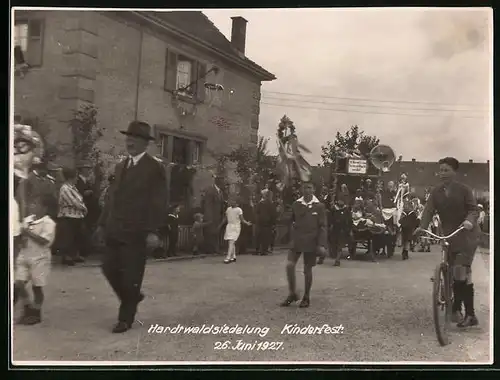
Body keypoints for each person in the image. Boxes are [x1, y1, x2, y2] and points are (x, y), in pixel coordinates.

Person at [95, 121, 167, 333]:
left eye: (135, 138)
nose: (130, 142)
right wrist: (101, 224)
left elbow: (159, 201)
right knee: (108, 268)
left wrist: (154, 230)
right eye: (128, 137)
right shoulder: (121, 166)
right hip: (115, 229)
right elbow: (112, 198)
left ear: (146, 143)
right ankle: (133, 298)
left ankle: (125, 318)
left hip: (137, 232)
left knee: (131, 276)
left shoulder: (154, 168)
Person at [416, 157, 480, 328]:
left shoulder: (464, 190)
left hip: (466, 234)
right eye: (441, 170)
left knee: (460, 270)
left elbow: (474, 210)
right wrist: (421, 227)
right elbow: (428, 211)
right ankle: (469, 314)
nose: (442, 173)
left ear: (454, 172)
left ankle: (456, 309)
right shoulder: (436, 192)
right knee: (458, 274)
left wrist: (469, 221)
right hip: (449, 235)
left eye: (446, 170)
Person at [280, 181, 327, 308]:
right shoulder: (296, 204)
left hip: (312, 241)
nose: (307, 190)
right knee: (289, 265)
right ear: (301, 189)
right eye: (305, 188)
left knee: (307, 269)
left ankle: (306, 297)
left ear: (314, 190)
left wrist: (321, 244)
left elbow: (322, 226)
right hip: (297, 240)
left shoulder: (319, 206)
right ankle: (292, 293)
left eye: (310, 188)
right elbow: (288, 220)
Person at [14, 194, 57, 325]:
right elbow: (20, 235)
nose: (33, 206)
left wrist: (28, 233)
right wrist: (20, 238)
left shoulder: (49, 223)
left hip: (40, 258)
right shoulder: (27, 220)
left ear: (44, 208)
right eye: (32, 204)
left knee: (36, 287)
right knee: (19, 283)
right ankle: (27, 307)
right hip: (25, 255)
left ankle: (36, 313)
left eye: (36, 204)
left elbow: (44, 240)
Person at [57, 167, 88, 266]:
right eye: (76, 177)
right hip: (68, 215)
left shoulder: (73, 187)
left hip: (77, 216)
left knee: (76, 236)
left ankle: (74, 255)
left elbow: (79, 199)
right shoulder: (65, 188)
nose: (77, 179)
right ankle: (67, 257)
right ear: (71, 177)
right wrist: (83, 208)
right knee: (68, 237)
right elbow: (73, 201)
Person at [219, 196, 252, 264]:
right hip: (229, 226)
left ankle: (228, 257)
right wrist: (220, 225)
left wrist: (247, 223)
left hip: (236, 227)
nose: (232, 202)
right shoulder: (228, 209)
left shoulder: (239, 210)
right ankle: (233, 256)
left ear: (237, 203)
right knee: (231, 242)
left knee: (231, 241)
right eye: (231, 201)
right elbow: (225, 218)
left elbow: (242, 219)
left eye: (234, 201)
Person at [201, 173, 225, 255]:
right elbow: (207, 204)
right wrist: (209, 217)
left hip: (217, 216)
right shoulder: (210, 190)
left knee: (216, 232)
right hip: (211, 216)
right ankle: (210, 250)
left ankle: (215, 249)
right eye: (222, 181)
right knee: (210, 233)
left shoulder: (220, 191)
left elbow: (221, 205)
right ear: (218, 182)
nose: (224, 183)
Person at [255, 189, 278, 256]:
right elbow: (273, 214)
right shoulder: (271, 204)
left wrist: (257, 220)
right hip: (267, 223)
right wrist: (274, 223)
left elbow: (257, 212)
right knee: (266, 237)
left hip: (260, 222)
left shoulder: (260, 203)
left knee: (259, 236)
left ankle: (258, 250)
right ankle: (264, 250)